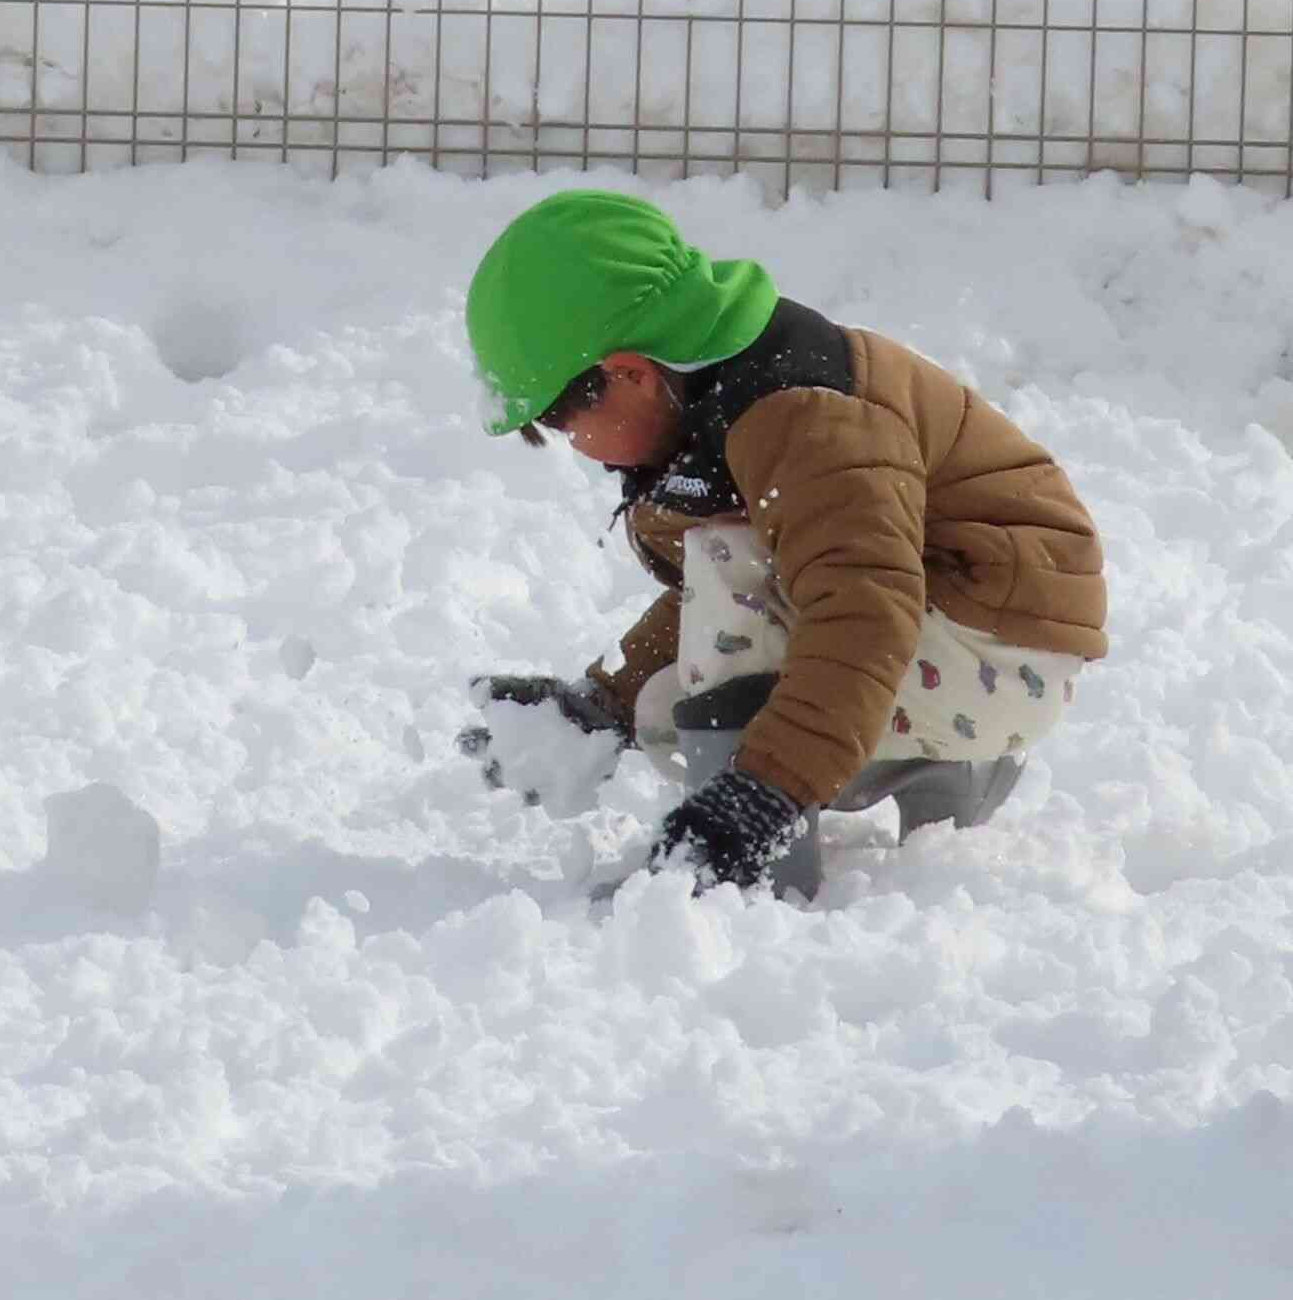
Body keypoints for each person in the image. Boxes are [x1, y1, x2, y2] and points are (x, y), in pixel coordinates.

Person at [462, 188, 1110, 904]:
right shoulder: (725, 394)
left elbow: (861, 612)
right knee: (677, 675)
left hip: (1000, 653)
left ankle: (741, 875)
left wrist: (760, 796)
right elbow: (761, 586)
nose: (573, 445)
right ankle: (938, 772)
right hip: (960, 636)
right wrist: (604, 705)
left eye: (559, 419)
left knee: (725, 626)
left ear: (631, 375)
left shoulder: (800, 417)